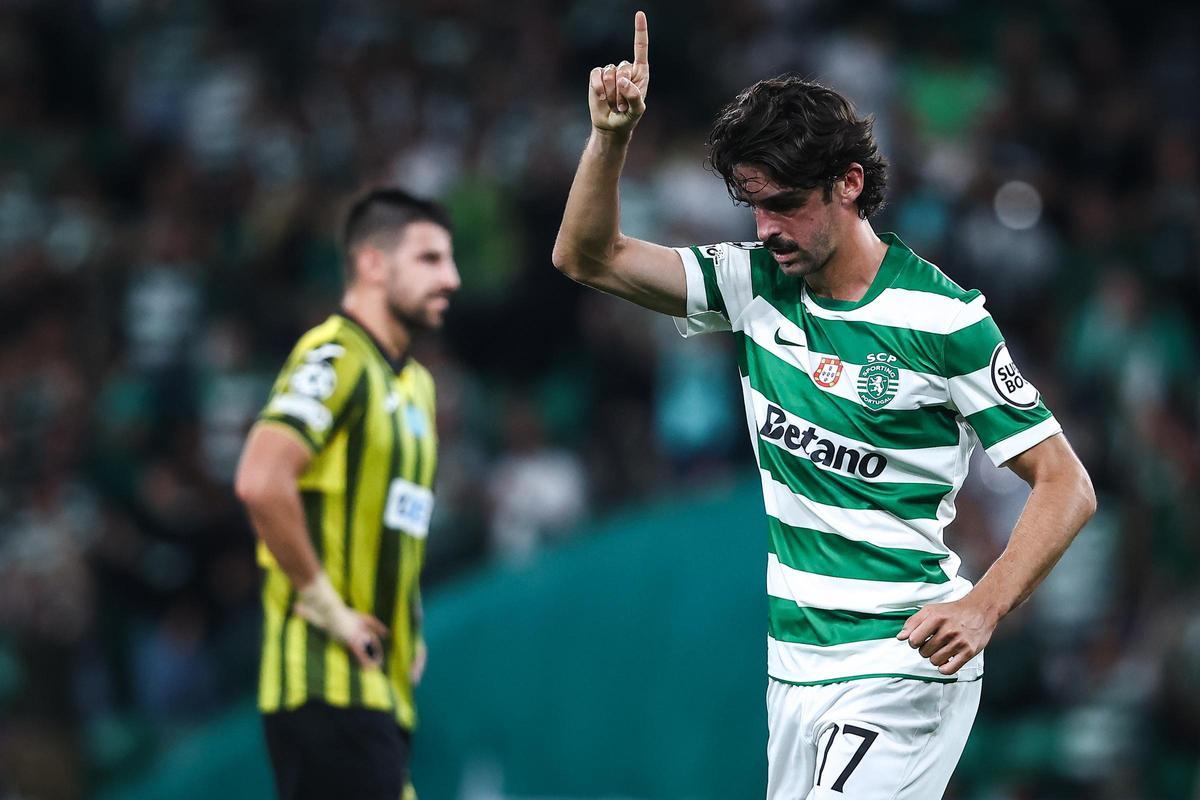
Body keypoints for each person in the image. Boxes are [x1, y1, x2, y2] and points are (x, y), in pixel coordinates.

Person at [552, 12, 1097, 799]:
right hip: (794, 666)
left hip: (902, 662)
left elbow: (1065, 482)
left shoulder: (943, 320)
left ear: (849, 183)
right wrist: (609, 137)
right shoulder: (751, 284)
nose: (767, 229)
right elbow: (586, 255)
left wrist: (984, 606)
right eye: (753, 206)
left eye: (786, 204)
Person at [235, 188, 460, 800]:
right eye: (431, 260)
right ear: (372, 264)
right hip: (323, 683)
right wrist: (327, 606)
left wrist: (409, 624)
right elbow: (260, 480)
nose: (453, 279)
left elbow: (396, 521)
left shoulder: (417, 386)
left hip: (382, 696)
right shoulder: (335, 355)